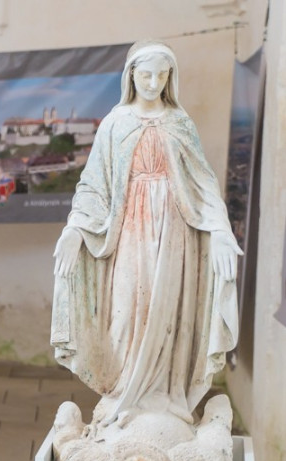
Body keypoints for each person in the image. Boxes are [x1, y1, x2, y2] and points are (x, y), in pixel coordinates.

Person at [50, 40, 241, 427]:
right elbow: (94, 185)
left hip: (174, 232)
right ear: (131, 75)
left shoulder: (179, 123)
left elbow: (203, 185)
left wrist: (220, 230)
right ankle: (122, 392)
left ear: (170, 77)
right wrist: (75, 229)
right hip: (130, 232)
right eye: (145, 74)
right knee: (124, 310)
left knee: (168, 308)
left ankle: (161, 400)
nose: (153, 82)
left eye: (161, 74)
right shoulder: (115, 122)